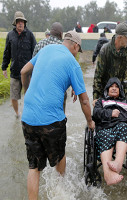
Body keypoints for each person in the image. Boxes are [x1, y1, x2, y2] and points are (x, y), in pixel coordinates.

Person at [21, 30, 95, 199]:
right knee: (59, 156)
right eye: (78, 51)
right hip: (51, 122)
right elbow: (84, 101)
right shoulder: (72, 62)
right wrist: (90, 122)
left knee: (34, 166)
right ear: (75, 46)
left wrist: (27, 94)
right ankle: (59, 191)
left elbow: (24, 71)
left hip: (28, 117)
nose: (77, 54)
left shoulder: (45, 50)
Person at [93, 77, 127, 185]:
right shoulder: (101, 101)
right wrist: (110, 113)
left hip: (121, 126)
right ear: (107, 89)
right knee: (105, 135)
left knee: (124, 127)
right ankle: (107, 174)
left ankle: (118, 163)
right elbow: (95, 114)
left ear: (120, 90)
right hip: (105, 127)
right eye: (111, 86)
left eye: (116, 87)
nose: (114, 88)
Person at [1, 11, 36, 118]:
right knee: (14, 96)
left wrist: (36, 68)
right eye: (18, 21)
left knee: (29, 95)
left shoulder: (30, 35)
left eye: (22, 21)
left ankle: (29, 113)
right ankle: (17, 114)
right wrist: (4, 67)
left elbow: (35, 52)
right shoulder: (10, 35)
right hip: (15, 72)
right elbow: (7, 52)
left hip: (28, 73)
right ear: (15, 23)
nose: (20, 23)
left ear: (24, 23)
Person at [93, 22, 127, 105]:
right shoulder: (105, 50)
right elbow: (98, 75)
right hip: (105, 93)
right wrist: (96, 98)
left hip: (121, 94)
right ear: (119, 37)